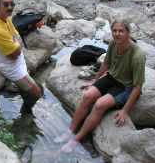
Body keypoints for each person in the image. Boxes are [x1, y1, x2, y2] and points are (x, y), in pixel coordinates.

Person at [54, 18, 146, 153]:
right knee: (88, 95)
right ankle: (70, 130)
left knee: (99, 105)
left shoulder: (137, 56)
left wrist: (125, 110)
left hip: (125, 87)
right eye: (114, 30)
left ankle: (76, 138)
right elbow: (106, 64)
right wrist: (95, 83)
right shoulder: (114, 44)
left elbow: (138, 86)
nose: (117, 34)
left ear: (128, 32)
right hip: (111, 78)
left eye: (121, 31)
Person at [0, 0, 41, 114]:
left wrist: (16, 44)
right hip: (9, 66)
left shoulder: (6, 19)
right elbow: (15, 52)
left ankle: (25, 98)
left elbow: (18, 38)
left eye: (12, 4)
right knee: (36, 93)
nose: (10, 7)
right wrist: (17, 45)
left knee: (28, 87)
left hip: (15, 60)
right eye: (6, 4)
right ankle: (25, 111)